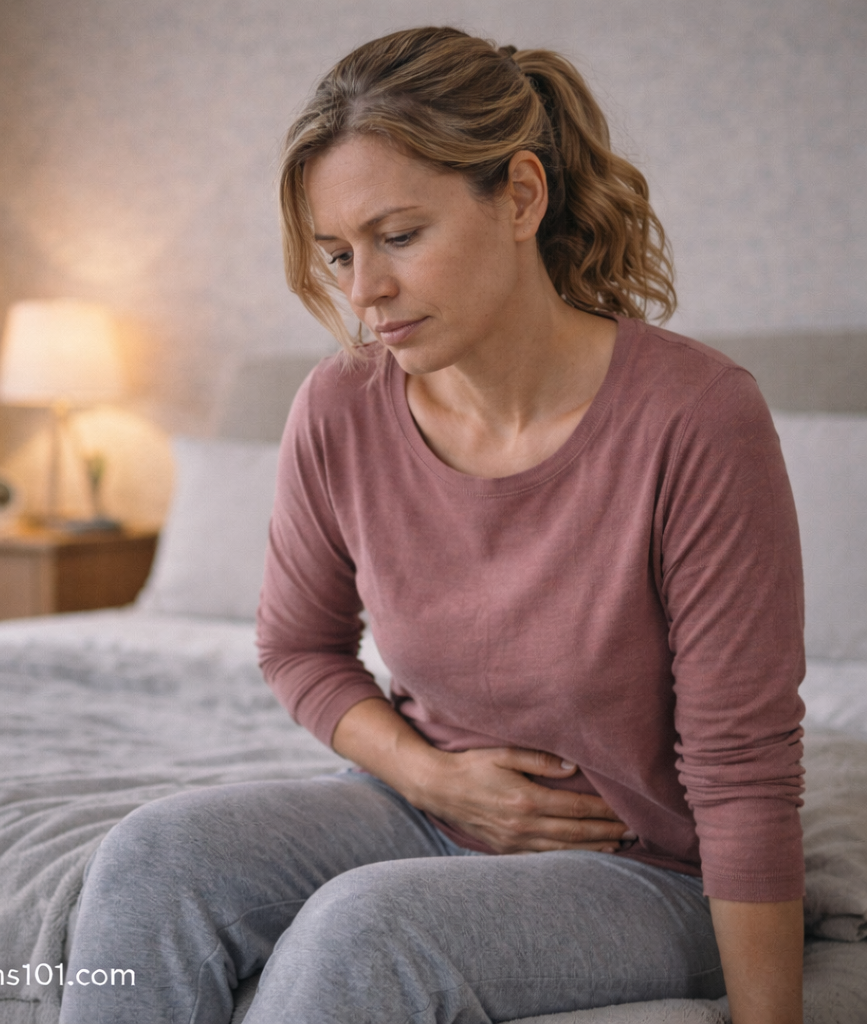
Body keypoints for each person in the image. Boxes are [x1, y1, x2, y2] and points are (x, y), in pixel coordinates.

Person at [60, 27, 805, 1024]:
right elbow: (296, 645)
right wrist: (433, 777)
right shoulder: (338, 407)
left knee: (364, 932)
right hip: (425, 810)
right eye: (337, 254)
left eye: (398, 236)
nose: (363, 291)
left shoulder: (696, 416)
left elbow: (741, 765)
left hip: (646, 869)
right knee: (153, 858)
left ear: (520, 198)